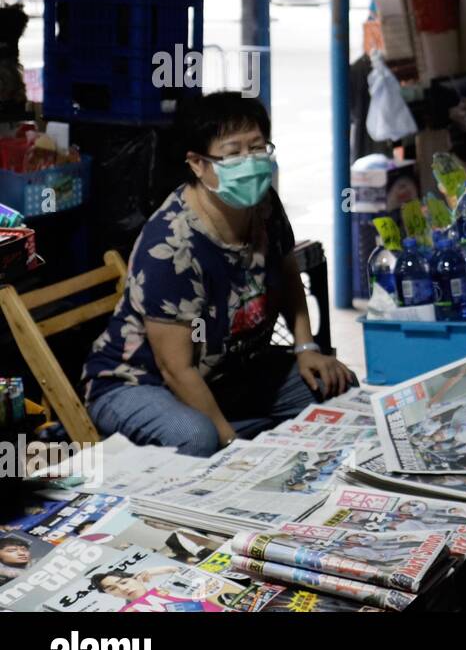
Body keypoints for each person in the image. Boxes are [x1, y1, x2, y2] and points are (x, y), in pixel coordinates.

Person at [81, 93, 355, 456]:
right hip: (139, 382)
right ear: (197, 163)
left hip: (229, 373)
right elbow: (176, 369)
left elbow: (288, 273)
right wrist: (231, 445)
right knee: (199, 437)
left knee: (336, 385)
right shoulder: (171, 246)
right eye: (234, 152)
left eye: (257, 149)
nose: (250, 162)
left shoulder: (264, 205)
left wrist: (306, 348)